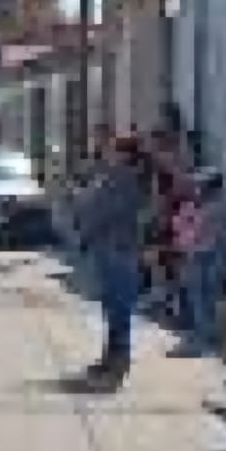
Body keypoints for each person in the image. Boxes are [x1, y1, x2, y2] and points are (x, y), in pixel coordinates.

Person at [75, 137, 146, 389]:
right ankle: (109, 360)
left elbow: (104, 210)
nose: (108, 154)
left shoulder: (123, 178)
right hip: (109, 249)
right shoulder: (111, 176)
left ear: (125, 155)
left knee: (119, 311)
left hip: (119, 249)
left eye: (113, 150)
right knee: (111, 309)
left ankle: (117, 366)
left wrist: (86, 231)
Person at [170, 170, 224, 356]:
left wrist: (186, 223)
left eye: (201, 186)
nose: (197, 189)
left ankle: (203, 340)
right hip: (197, 255)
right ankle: (201, 337)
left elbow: (195, 232)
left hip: (206, 256)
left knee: (203, 299)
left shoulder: (213, 208)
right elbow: (180, 226)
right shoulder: (198, 206)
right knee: (196, 298)